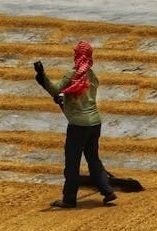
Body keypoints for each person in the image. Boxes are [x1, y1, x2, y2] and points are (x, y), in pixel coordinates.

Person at [34, 41, 116, 209]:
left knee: (72, 162)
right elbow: (80, 96)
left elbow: (55, 89)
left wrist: (42, 76)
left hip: (78, 126)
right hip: (95, 123)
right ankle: (107, 190)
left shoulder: (72, 74)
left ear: (77, 56)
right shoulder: (92, 76)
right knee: (93, 158)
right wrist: (64, 98)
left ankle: (69, 199)